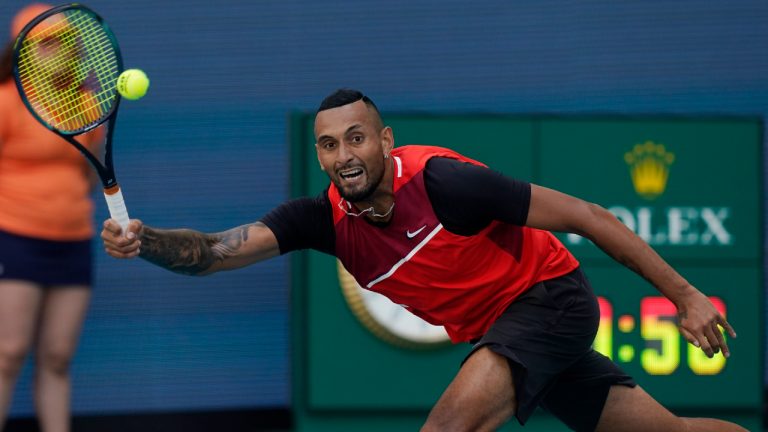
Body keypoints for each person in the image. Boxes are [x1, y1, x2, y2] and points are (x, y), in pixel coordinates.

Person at [101, 88, 746, 432]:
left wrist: (687, 296)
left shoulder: (445, 184)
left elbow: (589, 217)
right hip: (507, 331)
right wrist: (145, 239)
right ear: (319, 155)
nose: (343, 154)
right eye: (328, 144)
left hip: (548, 298)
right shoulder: (321, 218)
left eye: (356, 137)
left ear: (384, 140)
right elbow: (213, 253)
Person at [0, 4, 105, 432]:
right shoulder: (5, 102)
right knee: (8, 352)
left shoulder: (84, 106)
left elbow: (86, 173)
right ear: (21, 49)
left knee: (58, 357)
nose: (54, 51)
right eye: (43, 43)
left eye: (62, 42)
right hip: (15, 237)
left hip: (73, 240)